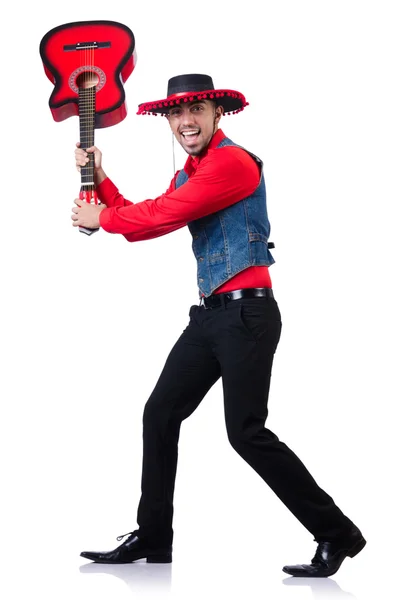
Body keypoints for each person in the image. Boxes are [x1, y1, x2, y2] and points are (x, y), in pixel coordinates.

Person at [74, 74, 366, 576]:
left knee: (246, 433)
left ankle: (337, 533)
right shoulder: (191, 172)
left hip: (247, 314)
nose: (185, 121)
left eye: (197, 111)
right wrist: (101, 179)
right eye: (176, 114)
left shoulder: (232, 163)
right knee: (160, 413)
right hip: (211, 316)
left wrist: (102, 220)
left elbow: (160, 213)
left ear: (217, 115)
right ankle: (153, 536)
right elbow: (149, 222)